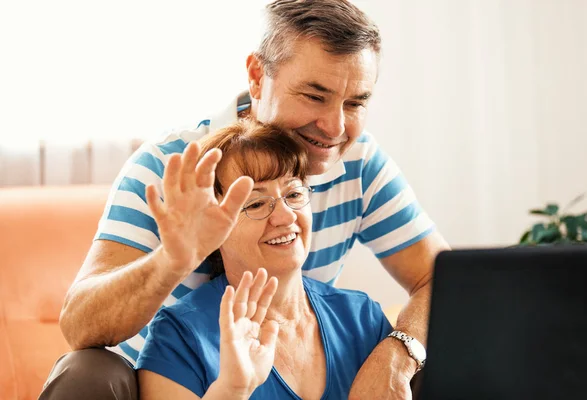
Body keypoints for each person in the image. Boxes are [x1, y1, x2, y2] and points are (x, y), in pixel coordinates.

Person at [41, 1, 450, 399]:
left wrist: (399, 354)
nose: (335, 128)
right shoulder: (166, 166)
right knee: (87, 373)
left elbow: (441, 279)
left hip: (284, 360)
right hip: (164, 379)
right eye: (314, 95)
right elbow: (79, 326)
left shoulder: (359, 163)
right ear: (258, 76)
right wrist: (174, 259)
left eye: (355, 102)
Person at [136, 119, 394, 399]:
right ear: (212, 227)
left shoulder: (363, 318)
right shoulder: (179, 337)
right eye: (256, 203)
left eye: (294, 194)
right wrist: (232, 389)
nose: (285, 217)